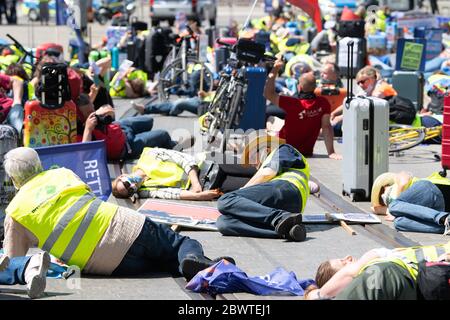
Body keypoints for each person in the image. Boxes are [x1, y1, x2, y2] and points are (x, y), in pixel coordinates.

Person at [2, 147, 235, 281]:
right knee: (179, 243)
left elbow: (13, 262)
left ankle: (187, 265)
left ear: (13, 180)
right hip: (128, 228)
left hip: (109, 265)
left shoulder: (15, 213)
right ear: (39, 165)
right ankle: (193, 260)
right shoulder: (61, 174)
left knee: (160, 262)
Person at [216, 139, 319, 242]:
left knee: (225, 200)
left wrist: (242, 191)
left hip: (285, 188)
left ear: (265, 149)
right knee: (224, 223)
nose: (251, 164)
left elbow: (267, 173)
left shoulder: (284, 149)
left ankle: (280, 217)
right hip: (291, 207)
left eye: (251, 158)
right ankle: (288, 230)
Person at [305, 241, 450, 300]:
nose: (348, 257)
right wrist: (319, 293)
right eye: (343, 263)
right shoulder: (371, 263)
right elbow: (350, 273)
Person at [264, 59, 342, 160]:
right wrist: (331, 152)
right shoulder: (323, 103)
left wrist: (275, 70)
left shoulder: (292, 102)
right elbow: (326, 127)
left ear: (299, 87)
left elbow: (268, 94)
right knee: (273, 122)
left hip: (285, 149)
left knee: (270, 120)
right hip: (306, 151)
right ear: (315, 87)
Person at [76, 95, 192, 160]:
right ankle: (174, 146)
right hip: (126, 146)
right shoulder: (80, 132)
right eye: (88, 113)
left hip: (120, 128)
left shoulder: (95, 116)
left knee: (149, 121)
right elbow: (84, 156)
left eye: (93, 109)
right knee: (163, 134)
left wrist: (107, 113)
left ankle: (144, 110)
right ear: (79, 116)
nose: (93, 114)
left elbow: (109, 118)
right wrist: (88, 128)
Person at [112, 147, 222, 200]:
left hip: (208, 164)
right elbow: (172, 194)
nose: (132, 186)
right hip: (206, 184)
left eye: (127, 184)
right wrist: (197, 196)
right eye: (130, 190)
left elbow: (182, 158)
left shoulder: (148, 155)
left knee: (238, 166)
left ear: (123, 176)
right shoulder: (144, 191)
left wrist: (195, 184)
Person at [370, 171, 450, 235]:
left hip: (432, 190)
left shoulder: (399, 178)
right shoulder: (399, 207)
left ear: (386, 185)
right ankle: (446, 224)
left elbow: (403, 182)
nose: (383, 195)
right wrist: (388, 210)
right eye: (383, 201)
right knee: (399, 223)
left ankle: (443, 217)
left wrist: (392, 207)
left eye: (383, 191)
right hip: (440, 209)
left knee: (394, 206)